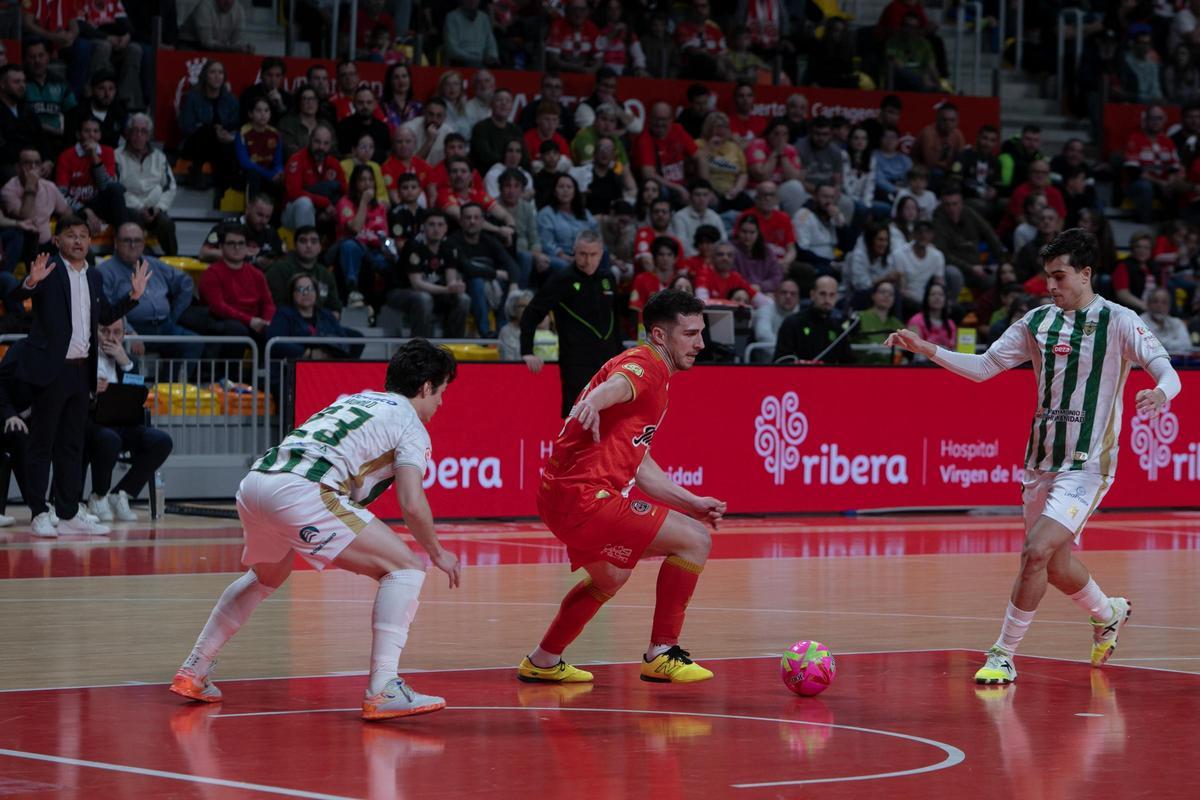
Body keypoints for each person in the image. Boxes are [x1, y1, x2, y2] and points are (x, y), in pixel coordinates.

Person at [885, 228, 1180, 685]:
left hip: (1087, 463)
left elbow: (1167, 370)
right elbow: (984, 367)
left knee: (1035, 551)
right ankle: (1108, 612)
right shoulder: (1037, 322)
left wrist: (1161, 392)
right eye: (1047, 277)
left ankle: (1002, 653)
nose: (1052, 286)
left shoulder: (1120, 321)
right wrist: (928, 350)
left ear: (1085, 274)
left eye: (1060, 276)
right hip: (1040, 460)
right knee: (1055, 565)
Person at [170, 340, 462, 720]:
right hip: (301, 491)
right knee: (406, 568)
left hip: (257, 483)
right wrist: (438, 551)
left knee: (265, 576)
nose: (440, 402)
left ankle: (194, 669)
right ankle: (384, 688)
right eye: (441, 391)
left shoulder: (359, 400)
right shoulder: (411, 425)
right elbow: (411, 501)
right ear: (426, 387)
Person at [518, 289, 726, 686]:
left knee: (610, 576)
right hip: (586, 499)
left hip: (559, 498)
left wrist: (692, 501)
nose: (701, 343)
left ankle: (543, 660)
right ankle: (662, 652)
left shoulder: (654, 373)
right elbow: (617, 385)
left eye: (701, 333)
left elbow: (641, 466)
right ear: (661, 336)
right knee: (695, 541)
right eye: (691, 333)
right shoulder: (644, 364)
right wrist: (593, 401)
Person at [13, 215, 148, 537]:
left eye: (83, 236)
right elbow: (14, 303)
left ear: (90, 241)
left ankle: (69, 512)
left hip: (80, 370)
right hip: (52, 371)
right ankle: (38, 512)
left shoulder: (95, 276)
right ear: (57, 241)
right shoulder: (48, 270)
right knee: (42, 444)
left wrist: (133, 298)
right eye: (70, 235)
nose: (77, 241)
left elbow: (101, 316)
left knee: (72, 445)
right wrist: (30, 284)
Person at [520, 230, 623, 418]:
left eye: (593, 255)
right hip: (576, 362)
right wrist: (527, 350)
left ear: (601, 254)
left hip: (609, 361)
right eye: (583, 254)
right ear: (574, 252)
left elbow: (614, 319)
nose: (588, 260)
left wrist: (621, 355)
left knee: (611, 418)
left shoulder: (607, 278)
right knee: (578, 418)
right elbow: (532, 313)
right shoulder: (562, 279)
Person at [84, 317, 173, 523]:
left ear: (124, 335)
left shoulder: (128, 360)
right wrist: (90, 390)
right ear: (94, 331)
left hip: (123, 423)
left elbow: (139, 395)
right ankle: (99, 495)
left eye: (116, 333)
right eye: (105, 331)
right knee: (110, 439)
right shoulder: (84, 358)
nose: (111, 338)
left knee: (161, 441)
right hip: (91, 424)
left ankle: (121, 493)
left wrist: (125, 363)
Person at [115, 113, 179, 255]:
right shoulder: (117, 156)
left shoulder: (159, 157)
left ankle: (173, 261)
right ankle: (138, 260)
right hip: (130, 209)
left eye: (143, 131)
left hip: (154, 209)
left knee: (167, 223)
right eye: (135, 130)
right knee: (133, 219)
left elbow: (170, 186)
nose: (139, 135)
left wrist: (159, 208)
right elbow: (117, 189)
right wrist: (139, 208)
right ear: (128, 133)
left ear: (149, 135)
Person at [773, 275, 855, 364]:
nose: (827, 299)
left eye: (832, 295)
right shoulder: (793, 323)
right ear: (812, 295)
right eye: (822, 294)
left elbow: (848, 363)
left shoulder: (838, 327)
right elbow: (780, 360)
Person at [265, 225, 342, 316]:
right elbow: (275, 306)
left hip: (319, 324)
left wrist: (328, 323)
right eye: (303, 241)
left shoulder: (325, 275)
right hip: (289, 323)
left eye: (313, 241)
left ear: (320, 247)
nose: (309, 245)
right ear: (295, 246)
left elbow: (335, 308)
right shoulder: (279, 270)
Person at [1140, 287, 1192, 355]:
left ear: (1169, 306)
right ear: (1148, 304)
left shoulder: (1177, 323)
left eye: (1164, 302)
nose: (1159, 305)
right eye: (1155, 301)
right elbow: (1144, 347)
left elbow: (1187, 345)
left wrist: (1161, 343)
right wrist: (1174, 344)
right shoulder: (1140, 322)